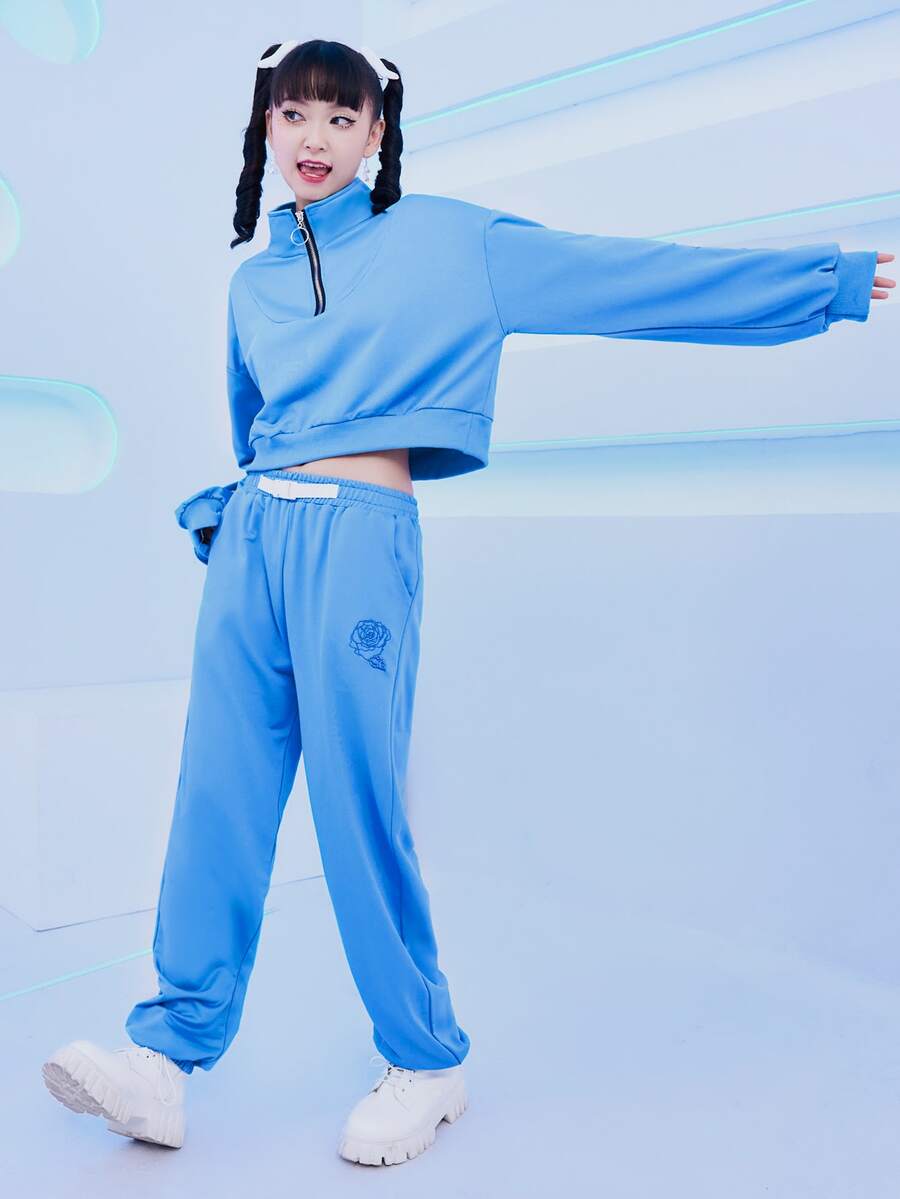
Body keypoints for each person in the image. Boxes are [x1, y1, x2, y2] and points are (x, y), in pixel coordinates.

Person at [41, 38, 894, 1166]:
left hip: (357, 542)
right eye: (294, 114)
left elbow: (624, 278)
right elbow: (256, 430)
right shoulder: (250, 285)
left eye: (340, 118)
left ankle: (425, 1057)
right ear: (265, 126)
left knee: (355, 803)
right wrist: (242, 523)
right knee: (217, 797)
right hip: (254, 541)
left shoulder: (451, 242)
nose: (313, 138)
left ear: (376, 132)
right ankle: (166, 1057)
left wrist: (824, 284)